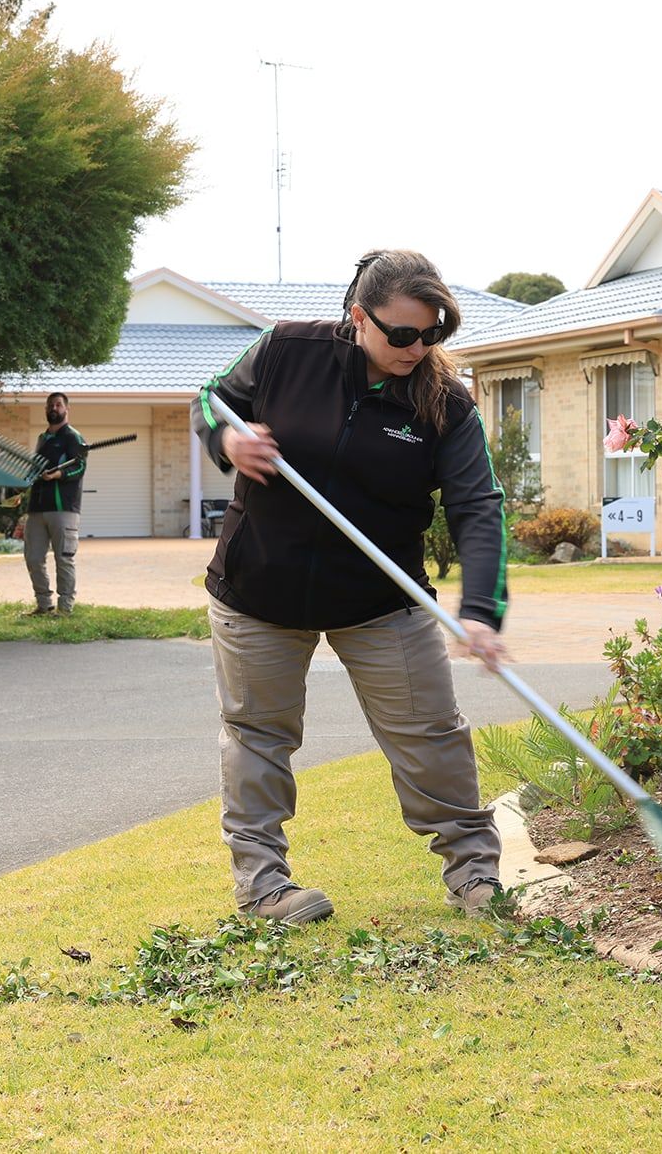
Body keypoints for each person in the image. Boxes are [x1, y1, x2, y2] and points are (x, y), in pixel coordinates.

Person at [191, 250, 510, 925]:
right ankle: (263, 887)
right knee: (257, 735)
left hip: (380, 599)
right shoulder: (286, 349)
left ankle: (476, 874)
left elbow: (478, 505)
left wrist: (480, 610)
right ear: (358, 317)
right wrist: (229, 438)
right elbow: (211, 398)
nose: (416, 347)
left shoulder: (444, 402)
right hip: (259, 588)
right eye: (401, 334)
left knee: (431, 733)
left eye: (432, 333)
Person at [22, 391, 88, 616]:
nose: (54, 408)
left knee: (64, 558)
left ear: (66, 409)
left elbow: (79, 467)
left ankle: (65, 608)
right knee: (33, 557)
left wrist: (59, 473)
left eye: (58, 405)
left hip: (64, 509)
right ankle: (43, 604)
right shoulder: (43, 439)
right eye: (50, 405)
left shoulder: (74, 438)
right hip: (37, 508)